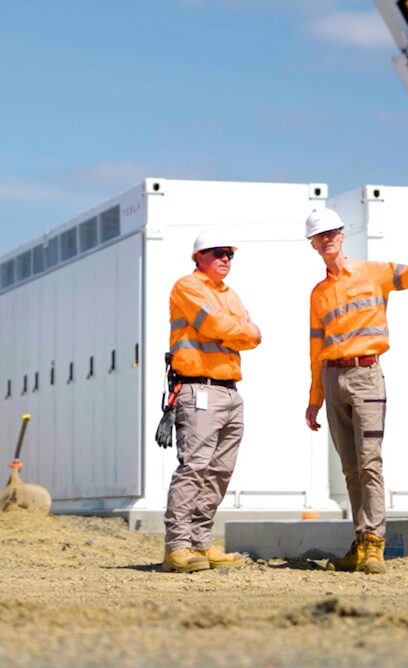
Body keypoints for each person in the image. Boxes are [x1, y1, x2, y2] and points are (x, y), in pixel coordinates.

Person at [302, 206, 408, 574]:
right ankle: (361, 542)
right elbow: (316, 348)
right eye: (320, 236)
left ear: (342, 235)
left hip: (366, 375)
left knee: (369, 461)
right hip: (333, 377)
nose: (327, 239)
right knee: (350, 468)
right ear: (313, 244)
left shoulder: (373, 273)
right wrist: (315, 398)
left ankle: (374, 544)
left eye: (332, 233)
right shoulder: (318, 294)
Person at [161, 229, 262, 573]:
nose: (225, 259)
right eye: (217, 253)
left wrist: (232, 328)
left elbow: (254, 335)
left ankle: (201, 543)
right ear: (198, 257)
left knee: (219, 471)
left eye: (229, 254)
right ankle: (178, 547)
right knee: (195, 468)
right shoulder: (187, 287)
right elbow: (215, 325)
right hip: (198, 389)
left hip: (230, 392)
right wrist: (236, 328)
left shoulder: (229, 294)